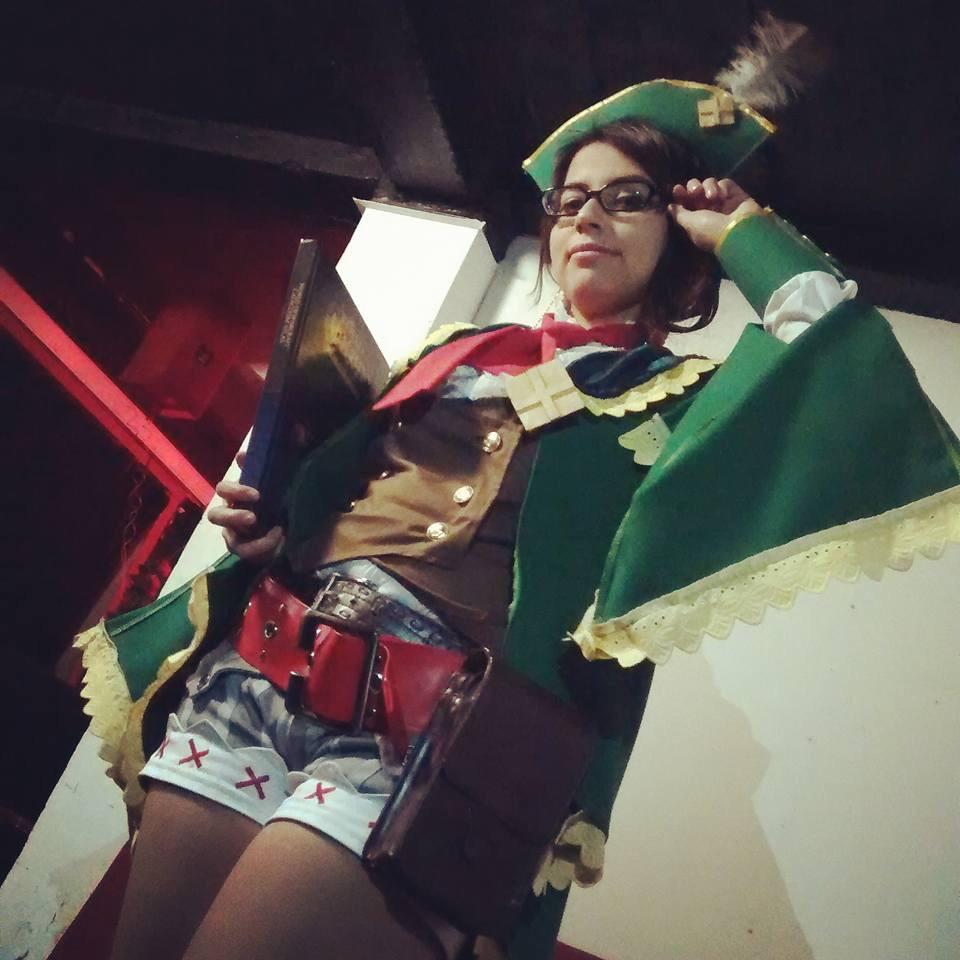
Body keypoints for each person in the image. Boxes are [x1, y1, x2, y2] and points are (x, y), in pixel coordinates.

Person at [77, 80, 960, 960]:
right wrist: (271, 531)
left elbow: (831, 344)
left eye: (628, 198)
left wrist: (738, 226)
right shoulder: (455, 349)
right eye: (571, 201)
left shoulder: (685, 396)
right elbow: (337, 494)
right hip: (260, 668)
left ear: (676, 232)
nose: (590, 217)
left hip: (428, 737)